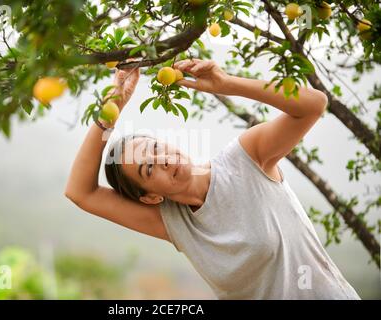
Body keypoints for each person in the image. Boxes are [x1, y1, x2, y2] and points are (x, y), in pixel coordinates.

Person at [65, 58, 361, 299]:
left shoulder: (246, 160)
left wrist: (227, 84)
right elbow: (80, 193)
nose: (163, 160)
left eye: (156, 148)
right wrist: (109, 114)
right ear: (151, 197)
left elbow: (313, 105)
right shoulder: (174, 222)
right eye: (148, 169)